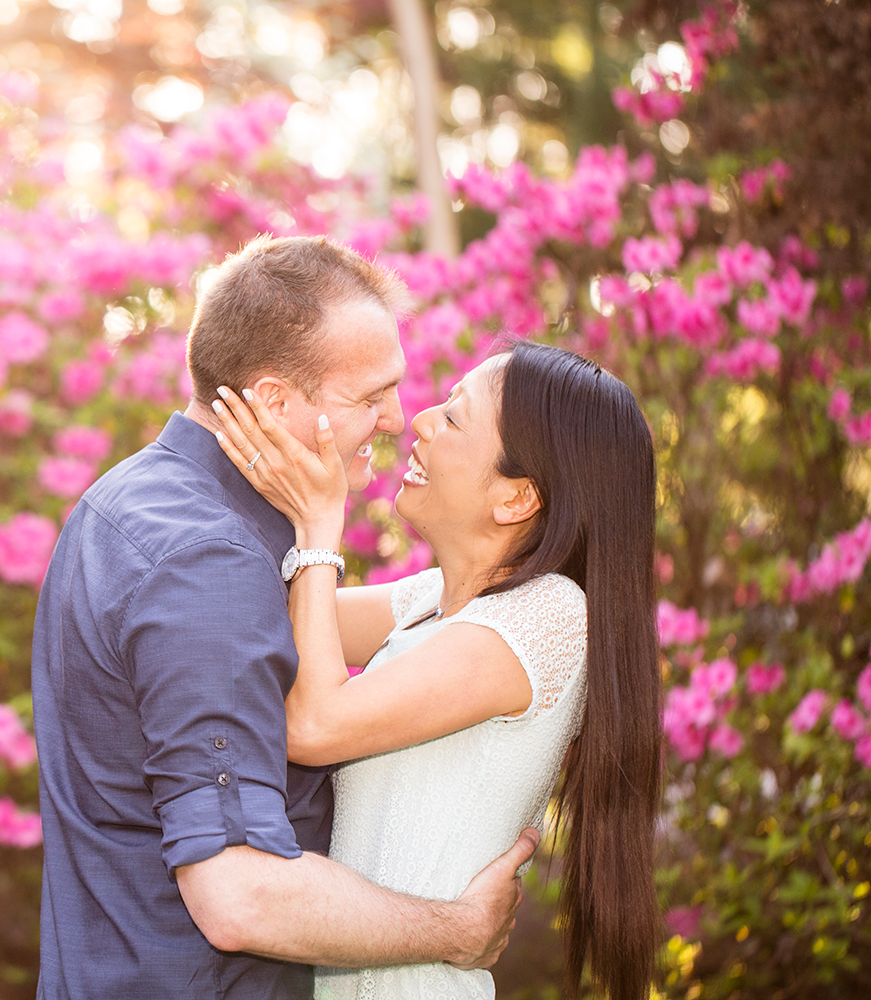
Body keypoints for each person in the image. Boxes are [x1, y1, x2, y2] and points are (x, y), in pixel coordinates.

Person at [30, 235, 538, 1000]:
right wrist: (458, 930)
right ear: (273, 401)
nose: (398, 421)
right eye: (368, 398)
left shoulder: (129, 499)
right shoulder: (209, 563)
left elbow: (353, 619)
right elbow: (242, 897)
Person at [210, 340, 662, 1000]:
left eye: (454, 416)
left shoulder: (550, 616)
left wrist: (317, 526)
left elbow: (311, 725)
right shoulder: (430, 601)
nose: (420, 420)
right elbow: (263, 619)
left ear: (517, 499)